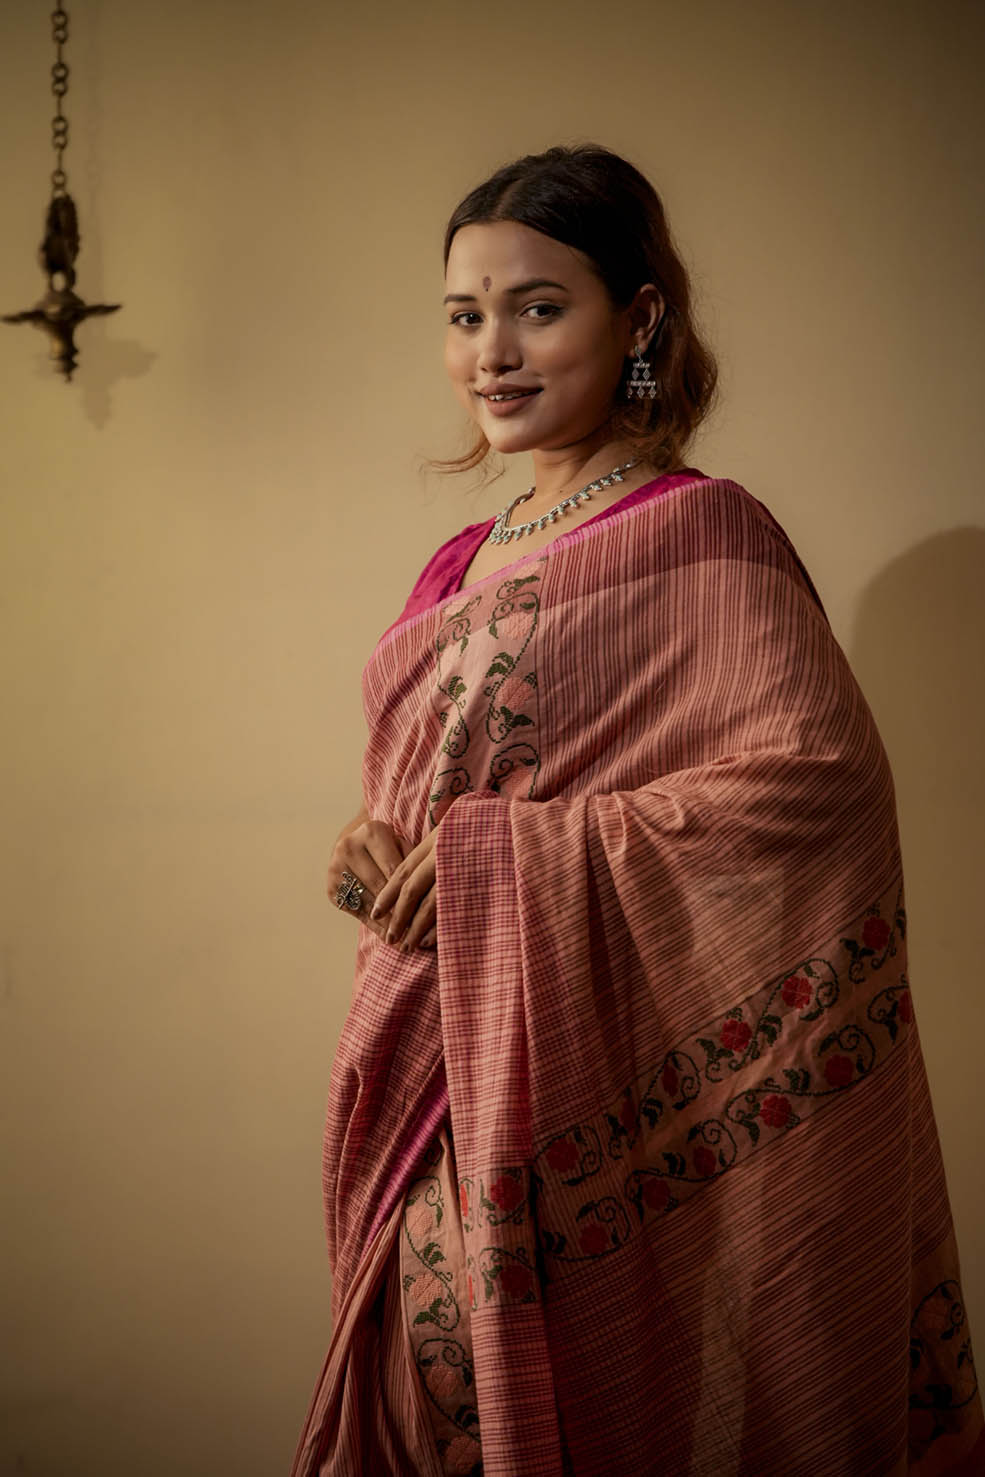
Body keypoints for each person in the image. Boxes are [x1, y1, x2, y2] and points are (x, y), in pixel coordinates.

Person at [289, 144, 983, 1477]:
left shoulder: (702, 533)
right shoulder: (454, 565)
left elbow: (811, 790)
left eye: (538, 307)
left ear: (639, 318)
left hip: (596, 1113)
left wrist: (502, 860)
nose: (491, 349)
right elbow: (436, 795)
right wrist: (372, 856)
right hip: (445, 1079)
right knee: (438, 1400)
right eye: (463, 313)